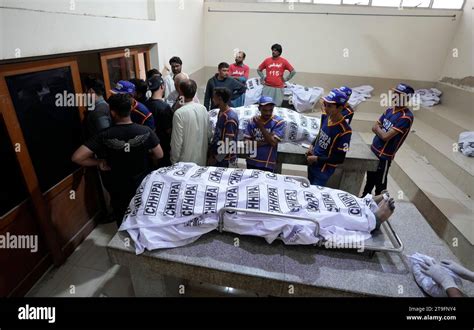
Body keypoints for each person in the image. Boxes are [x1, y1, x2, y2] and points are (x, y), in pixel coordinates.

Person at [120, 162, 397, 253]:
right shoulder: (158, 197)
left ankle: (358, 203)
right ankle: (366, 220)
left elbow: (196, 171)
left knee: (306, 192)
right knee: (303, 215)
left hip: (237, 182)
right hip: (228, 202)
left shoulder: (169, 172)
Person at [71, 93, 163, 226]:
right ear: (131, 109)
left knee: (123, 217)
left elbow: (77, 157)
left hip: (118, 185)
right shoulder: (145, 131)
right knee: (145, 215)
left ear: (112, 113)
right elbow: (159, 154)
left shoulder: (104, 135)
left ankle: (125, 243)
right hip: (142, 182)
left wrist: (99, 162)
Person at [361, 83, 415, 197]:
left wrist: (379, 130)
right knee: (369, 180)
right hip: (373, 150)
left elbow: (385, 137)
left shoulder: (406, 117)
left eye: (399, 95)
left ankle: (380, 208)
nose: (395, 96)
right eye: (395, 93)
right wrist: (380, 131)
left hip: (384, 156)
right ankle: (364, 199)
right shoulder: (390, 110)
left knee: (380, 185)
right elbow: (374, 126)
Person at [307, 89, 352, 187]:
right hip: (313, 163)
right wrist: (312, 145)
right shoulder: (326, 117)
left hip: (323, 170)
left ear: (340, 108)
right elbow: (320, 134)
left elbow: (339, 158)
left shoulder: (345, 131)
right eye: (325, 104)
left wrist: (316, 159)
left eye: (330, 106)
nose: (325, 108)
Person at [170, 79, 210, 166]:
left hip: (184, 163)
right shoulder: (203, 108)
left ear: (180, 92)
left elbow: (177, 142)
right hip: (202, 159)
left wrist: (174, 161)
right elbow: (208, 133)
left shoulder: (179, 114)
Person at [244, 96, 286, 172]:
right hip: (251, 161)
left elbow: (273, 143)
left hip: (268, 163)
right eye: (265, 110)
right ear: (259, 109)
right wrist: (266, 142)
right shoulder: (252, 121)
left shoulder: (279, 122)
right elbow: (247, 143)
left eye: (270, 110)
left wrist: (261, 127)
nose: (268, 113)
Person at [145, 75, 173, 167]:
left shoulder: (144, 105)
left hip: (149, 146)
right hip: (163, 147)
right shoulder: (164, 107)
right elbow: (169, 130)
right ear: (162, 86)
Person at [208, 87, 239, 168]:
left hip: (225, 160)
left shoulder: (230, 118)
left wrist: (216, 159)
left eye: (214, 97)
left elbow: (228, 144)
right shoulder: (221, 112)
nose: (212, 99)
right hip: (217, 155)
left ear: (219, 98)